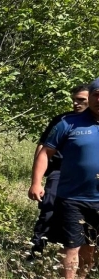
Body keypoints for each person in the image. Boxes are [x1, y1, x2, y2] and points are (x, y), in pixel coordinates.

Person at [28, 77, 99, 279]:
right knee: (71, 245)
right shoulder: (68, 123)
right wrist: (36, 182)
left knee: (91, 245)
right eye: (96, 95)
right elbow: (44, 153)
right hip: (71, 197)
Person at [29, 85, 89, 259]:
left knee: (86, 217)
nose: (76, 104)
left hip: (88, 178)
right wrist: (36, 180)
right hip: (59, 172)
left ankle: (80, 256)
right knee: (48, 210)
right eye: (74, 100)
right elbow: (43, 147)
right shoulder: (63, 120)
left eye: (81, 100)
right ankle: (36, 251)